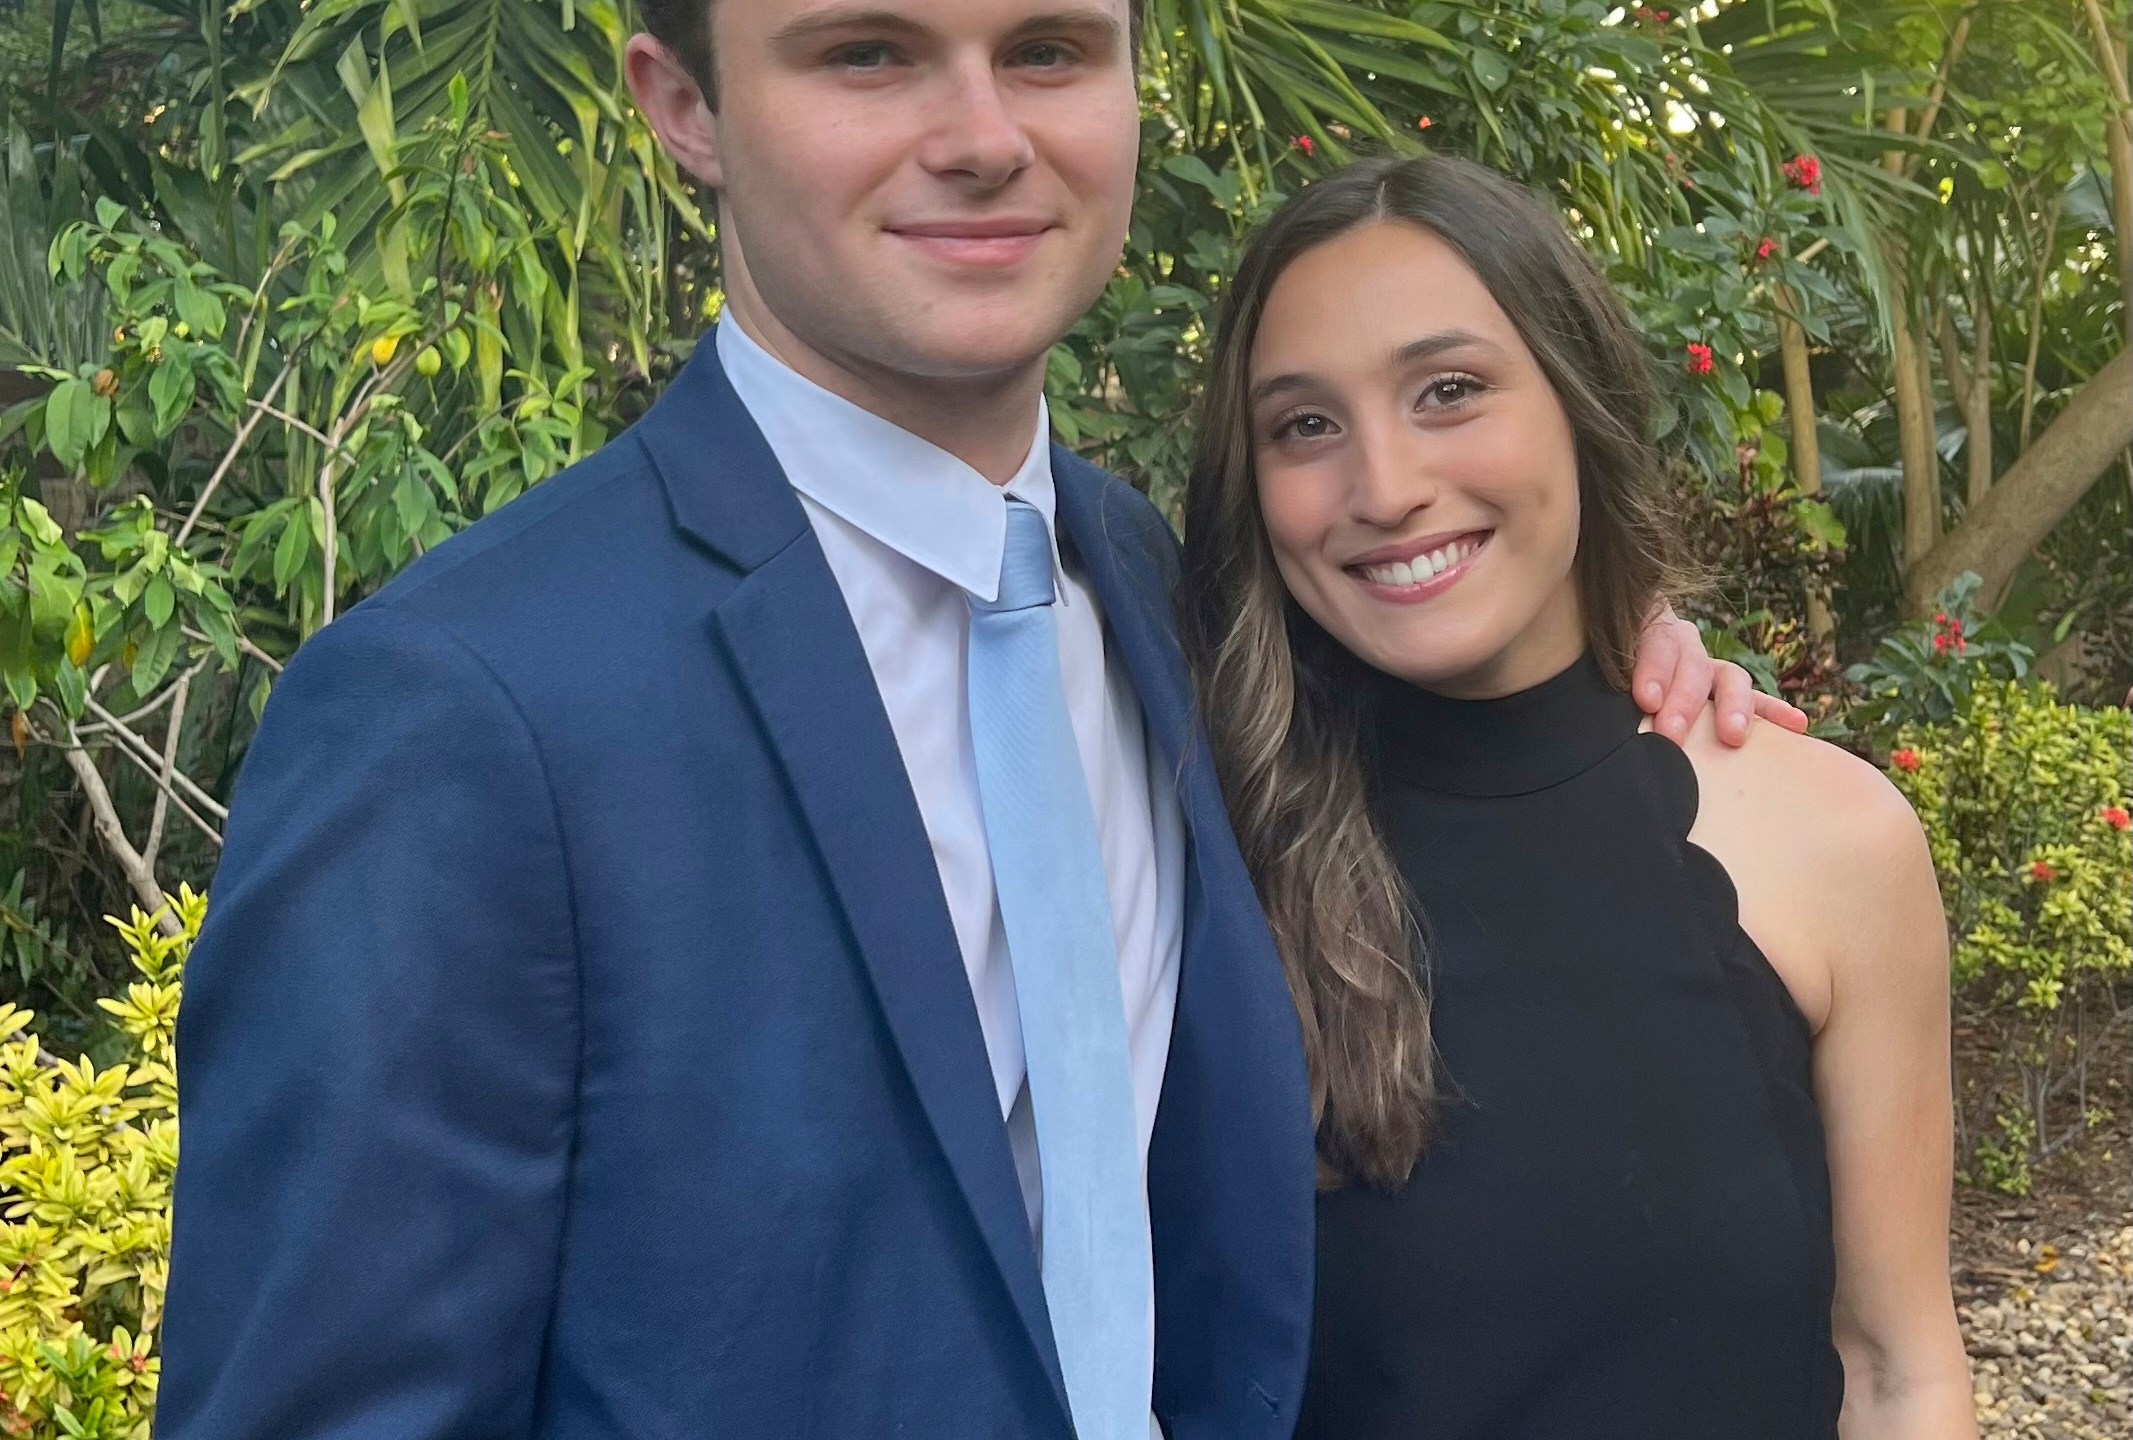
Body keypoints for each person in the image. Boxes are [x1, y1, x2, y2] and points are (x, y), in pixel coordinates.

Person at [154, 6, 1795, 1438]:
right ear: (684, 107)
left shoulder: (1174, 603)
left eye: (1048, 50)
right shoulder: (462, 710)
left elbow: (1471, 694)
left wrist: (1632, 643)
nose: (984, 138)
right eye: (865, 52)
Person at [1179, 154, 1977, 1440]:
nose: (1384, 488)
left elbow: (1896, 1365)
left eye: (1450, 391)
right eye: (1305, 426)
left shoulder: (1831, 841)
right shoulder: (1188, 837)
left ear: (1579, 399)